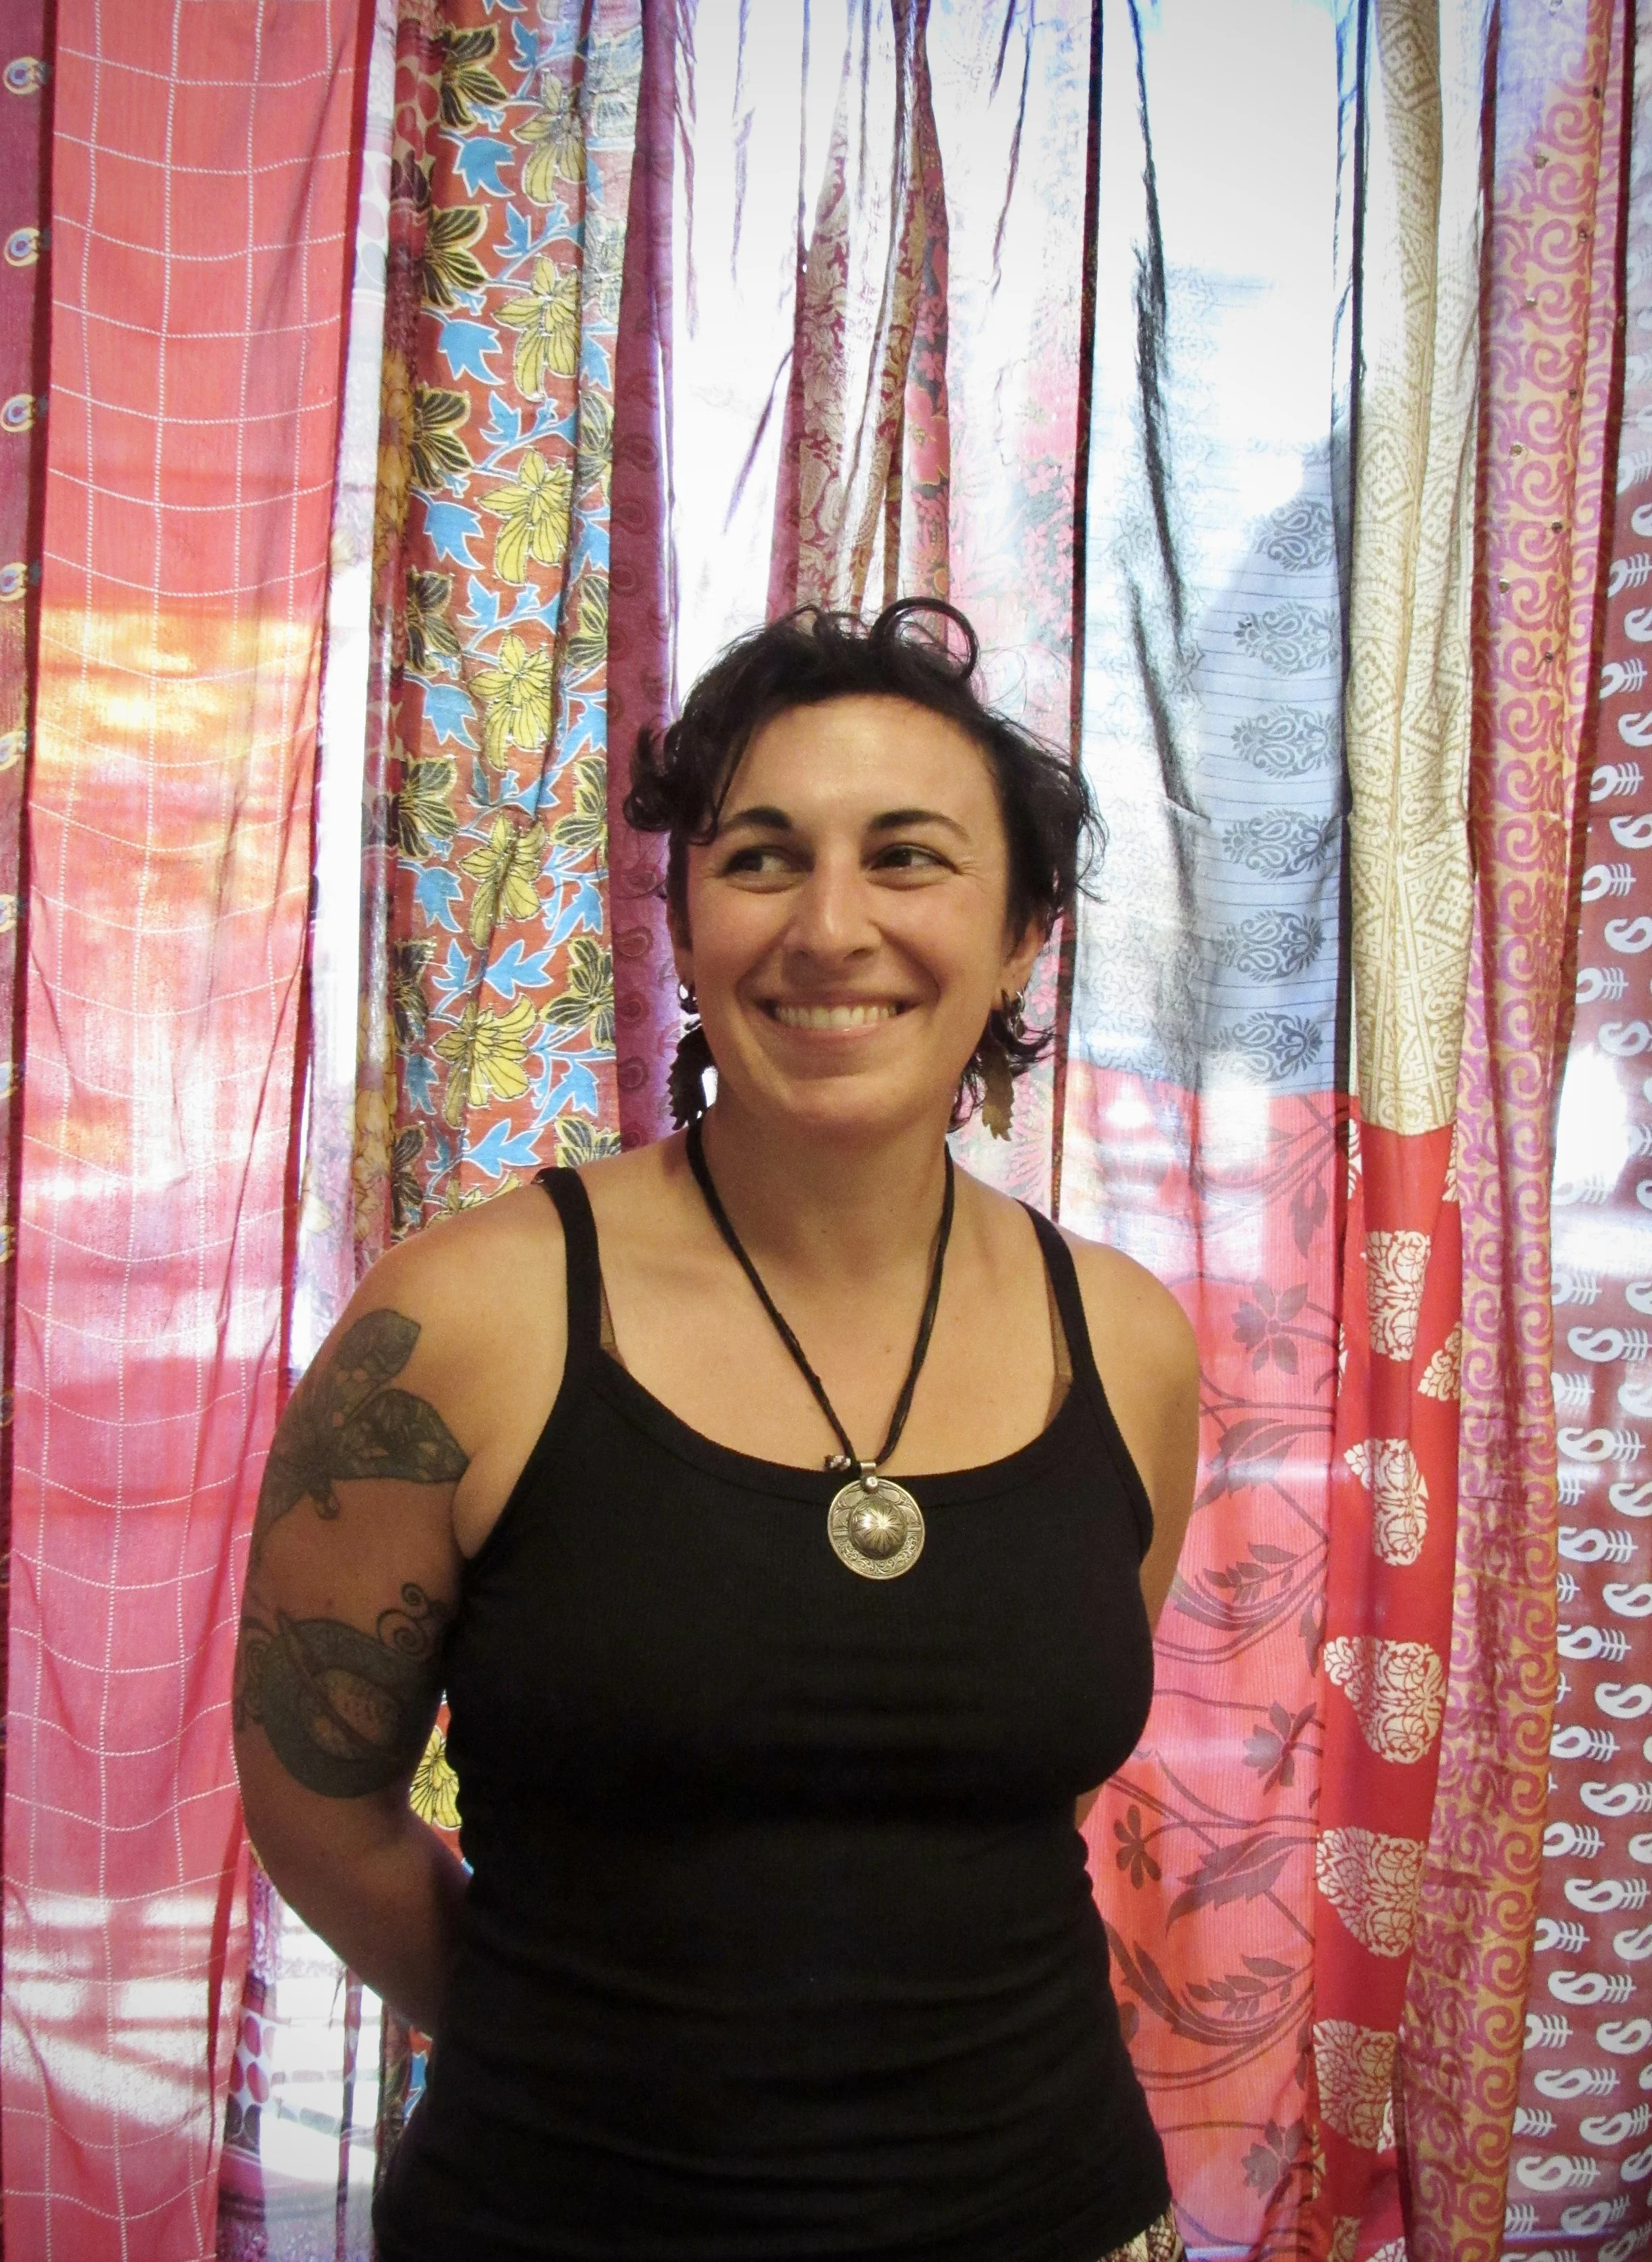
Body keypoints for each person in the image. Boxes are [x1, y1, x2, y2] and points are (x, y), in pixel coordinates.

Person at [234, 599, 1201, 2262]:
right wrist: (578, 2043)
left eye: (907, 858)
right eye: (760, 857)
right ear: (682, 918)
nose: (830, 927)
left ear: (1026, 928)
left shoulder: (1123, 1342)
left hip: (1057, 2214)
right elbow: (319, 1807)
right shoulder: (465, 1320)